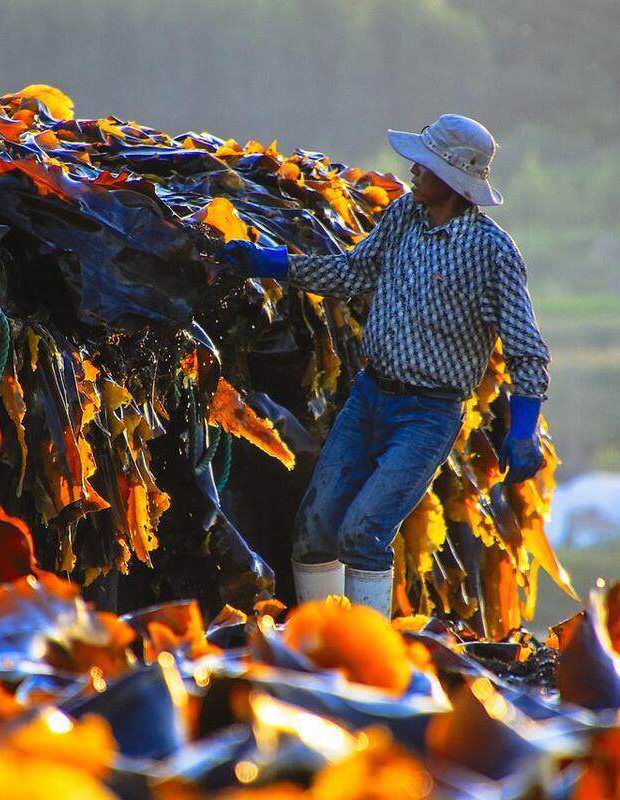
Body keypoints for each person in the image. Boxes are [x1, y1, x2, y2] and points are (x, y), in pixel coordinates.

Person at [227, 115, 551, 616]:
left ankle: (366, 657)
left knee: (364, 532)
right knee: (314, 533)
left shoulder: (493, 252)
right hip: (370, 396)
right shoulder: (403, 216)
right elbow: (352, 273)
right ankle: (321, 651)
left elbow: (526, 348)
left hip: (429, 414)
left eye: (424, 164)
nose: (412, 171)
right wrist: (271, 263)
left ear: (452, 178)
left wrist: (524, 429)